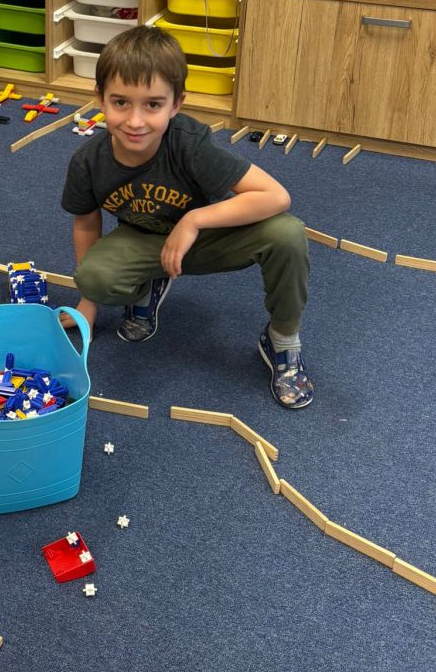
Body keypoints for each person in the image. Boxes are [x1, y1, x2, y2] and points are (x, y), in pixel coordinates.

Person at [61, 26, 313, 409]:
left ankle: (282, 340)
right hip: (144, 239)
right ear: (100, 98)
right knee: (94, 277)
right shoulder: (87, 162)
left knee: (288, 234)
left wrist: (193, 220)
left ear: (176, 104)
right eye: (121, 102)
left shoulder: (189, 143)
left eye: (153, 105)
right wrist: (88, 303)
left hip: (207, 237)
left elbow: (276, 196)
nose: (135, 121)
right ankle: (148, 285)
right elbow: (85, 223)